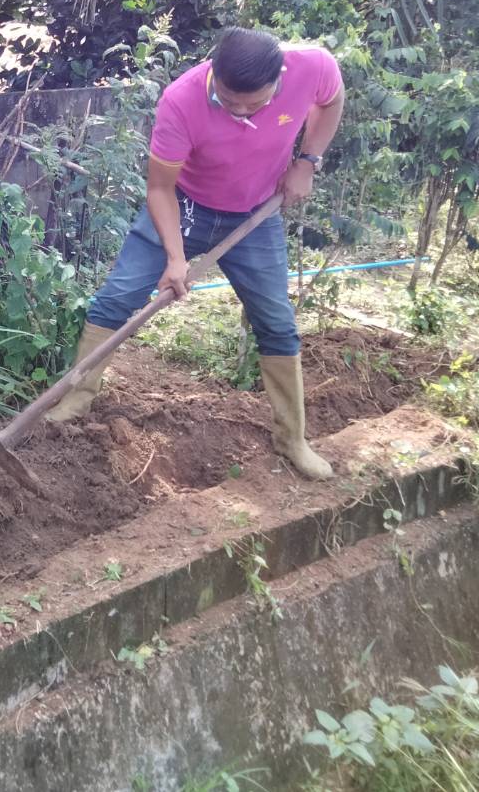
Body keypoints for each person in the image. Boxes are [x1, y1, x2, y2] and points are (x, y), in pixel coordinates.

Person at [50, 27, 345, 479]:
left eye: (256, 103)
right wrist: (175, 258)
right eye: (230, 102)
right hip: (185, 205)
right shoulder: (181, 100)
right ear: (213, 74)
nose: (242, 112)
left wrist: (308, 161)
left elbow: (333, 100)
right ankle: (75, 398)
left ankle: (293, 438)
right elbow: (160, 188)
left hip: (255, 215)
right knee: (116, 298)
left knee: (277, 323)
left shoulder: (313, 66)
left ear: (280, 78)